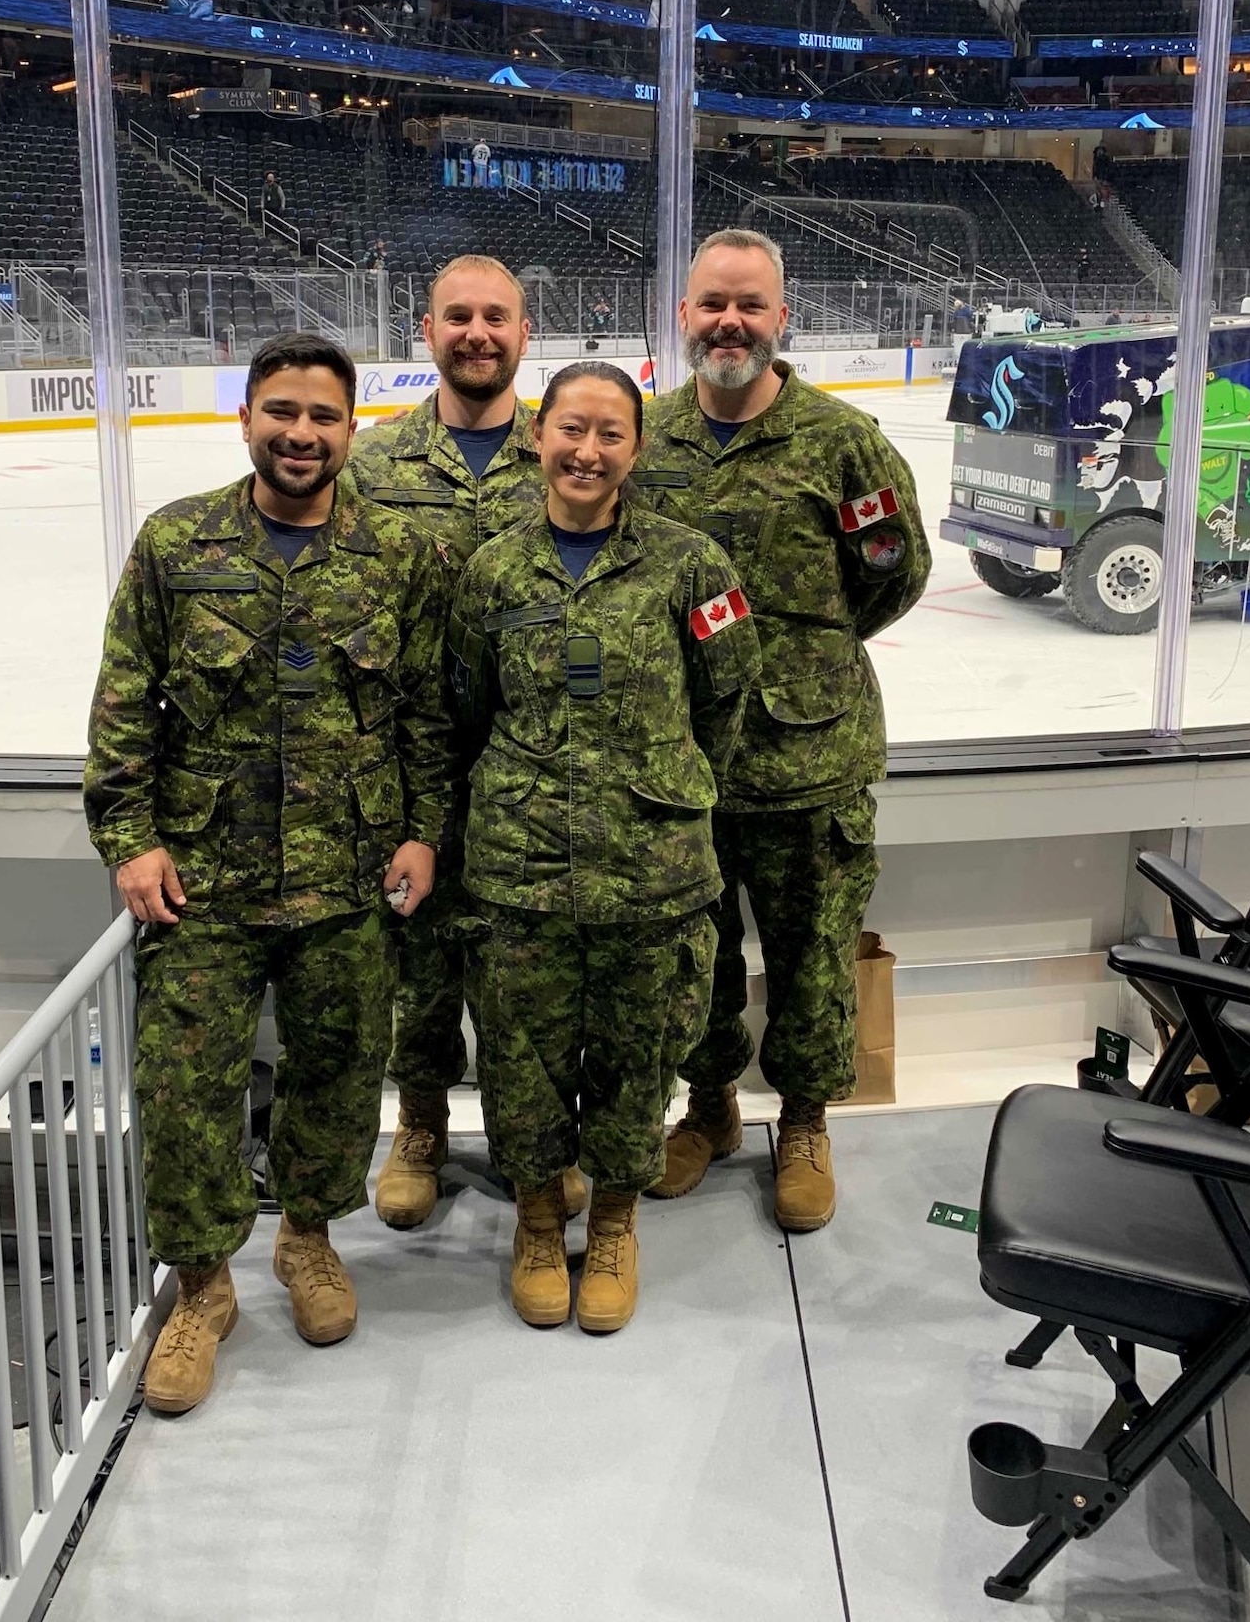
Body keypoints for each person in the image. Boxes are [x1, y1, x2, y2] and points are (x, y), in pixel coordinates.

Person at [83, 333, 454, 1415]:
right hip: (204, 878)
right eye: (282, 411)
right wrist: (132, 838)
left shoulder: (397, 555)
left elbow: (428, 716)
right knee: (184, 1088)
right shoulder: (176, 544)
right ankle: (201, 1287)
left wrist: (425, 832)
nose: (302, 433)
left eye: (324, 416)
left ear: (351, 428)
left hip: (348, 869)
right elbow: (121, 706)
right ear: (245, 418)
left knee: (339, 1066)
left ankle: (307, 1238)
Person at [449, 362, 760, 1332]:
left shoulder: (693, 566)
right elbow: (467, 705)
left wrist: (658, 786)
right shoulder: (493, 571)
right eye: (571, 428)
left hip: (651, 868)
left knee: (637, 1053)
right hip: (519, 868)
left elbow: (727, 698)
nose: (588, 450)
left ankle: (615, 1222)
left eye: (610, 433)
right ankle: (541, 1219)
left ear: (637, 447)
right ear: (540, 434)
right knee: (522, 1052)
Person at [636, 227, 930, 1233]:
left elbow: (894, 570)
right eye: (712, 301)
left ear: (780, 318)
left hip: (812, 760)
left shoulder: (843, 444)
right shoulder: (647, 437)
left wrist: (810, 657)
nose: (730, 321)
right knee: (694, 957)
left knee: (812, 954)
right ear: (683, 315)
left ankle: (804, 1120)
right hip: (683, 766)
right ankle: (710, 1108)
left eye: (750, 305)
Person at [348, 255, 564, 1228]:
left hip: (538, 760)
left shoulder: (566, 454)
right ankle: (423, 1125)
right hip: (408, 770)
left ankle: (533, 1139)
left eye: (497, 316)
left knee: (531, 972)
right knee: (419, 963)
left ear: (526, 333)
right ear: (426, 330)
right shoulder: (373, 466)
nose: (478, 332)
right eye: (458, 316)